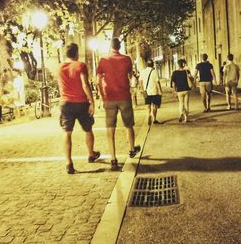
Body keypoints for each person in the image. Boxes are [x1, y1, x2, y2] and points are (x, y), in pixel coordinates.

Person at [97, 37, 141, 170]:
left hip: (109, 98)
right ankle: (132, 149)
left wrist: (102, 96)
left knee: (110, 129)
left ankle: (113, 158)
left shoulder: (103, 60)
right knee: (129, 125)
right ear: (120, 46)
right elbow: (131, 75)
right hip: (124, 96)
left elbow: (98, 80)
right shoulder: (126, 59)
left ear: (110, 46)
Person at [57, 43, 100, 174]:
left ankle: (69, 163)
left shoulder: (59, 67)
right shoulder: (81, 66)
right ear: (77, 53)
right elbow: (85, 84)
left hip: (66, 103)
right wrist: (91, 101)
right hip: (81, 102)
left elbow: (60, 86)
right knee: (88, 129)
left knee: (67, 132)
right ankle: (91, 154)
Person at [139, 59, 162, 124]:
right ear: (152, 64)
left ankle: (148, 114)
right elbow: (157, 82)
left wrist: (141, 89)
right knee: (155, 105)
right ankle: (154, 119)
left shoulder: (143, 71)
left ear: (147, 64)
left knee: (147, 104)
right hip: (154, 91)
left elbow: (140, 81)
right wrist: (160, 90)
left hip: (145, 91)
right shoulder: (154, 72)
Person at [170, 59, 193, 123]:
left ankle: (181, 113)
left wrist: (174, 91)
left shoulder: (175, 73)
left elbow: (173, 83)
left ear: (178, 64)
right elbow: (191, 78)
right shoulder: (187, 71)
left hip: (179, 90)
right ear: (184, 64)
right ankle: (186, 118)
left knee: (181, 103)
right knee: (186, 104)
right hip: (186, 89)